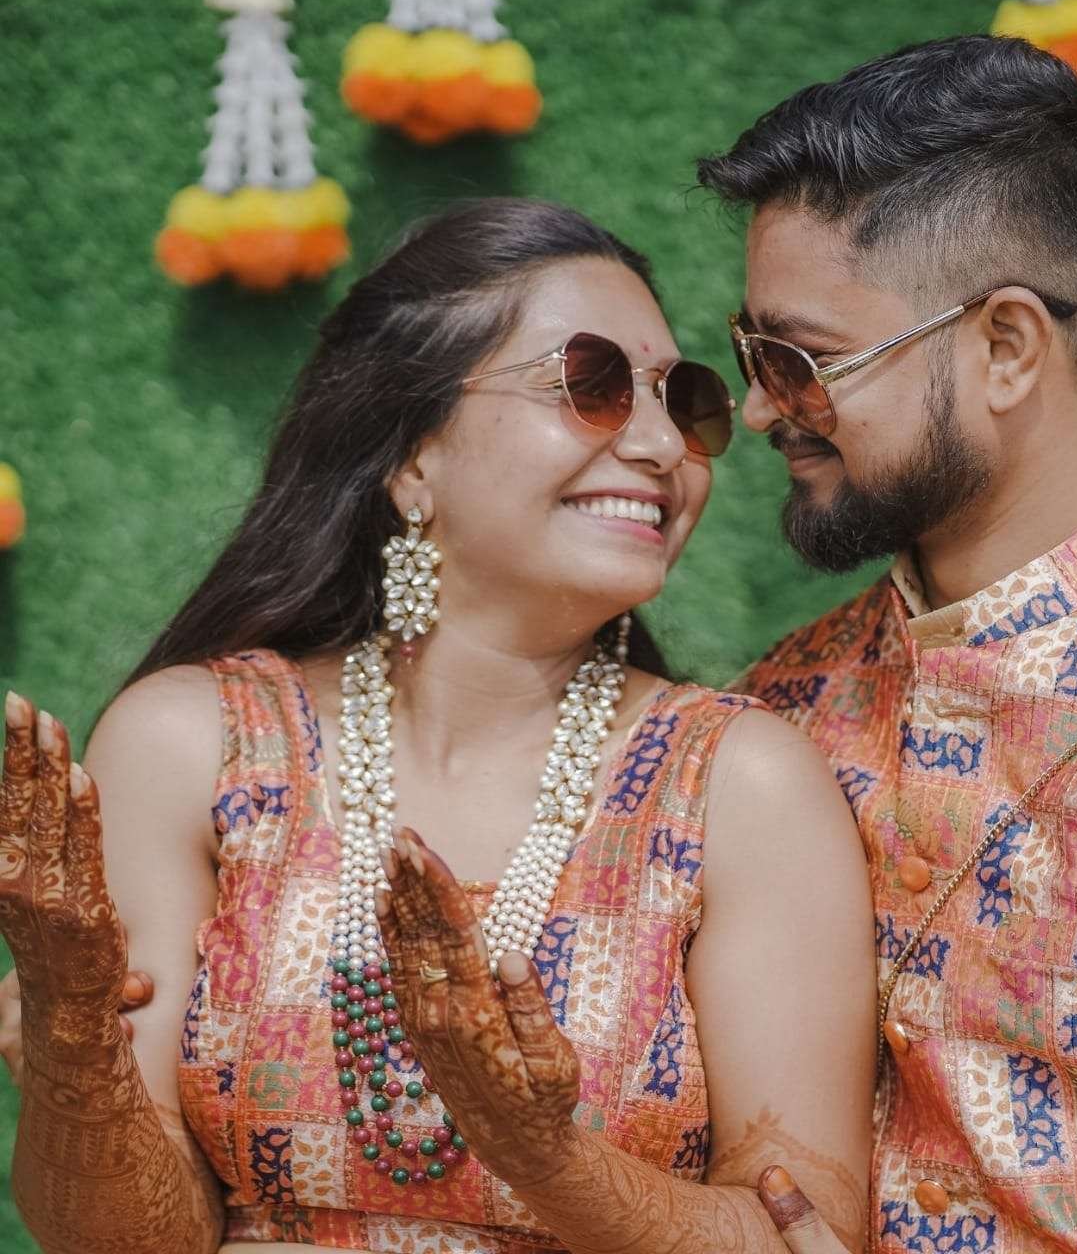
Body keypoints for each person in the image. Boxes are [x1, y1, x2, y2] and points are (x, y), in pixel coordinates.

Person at [0, 198, 876, 1252]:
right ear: (413, 455)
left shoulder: (740, 784)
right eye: (591, 383)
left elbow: (806, 1232)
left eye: (683, 403)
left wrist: (546, 1156)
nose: (661, 446)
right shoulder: (192, 746)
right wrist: (76, 1048)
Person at [696, 33, 1077, 1253]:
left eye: (798, 361)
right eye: (753, 358)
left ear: (1005, 347)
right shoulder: (779, 704)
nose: (757, 409)